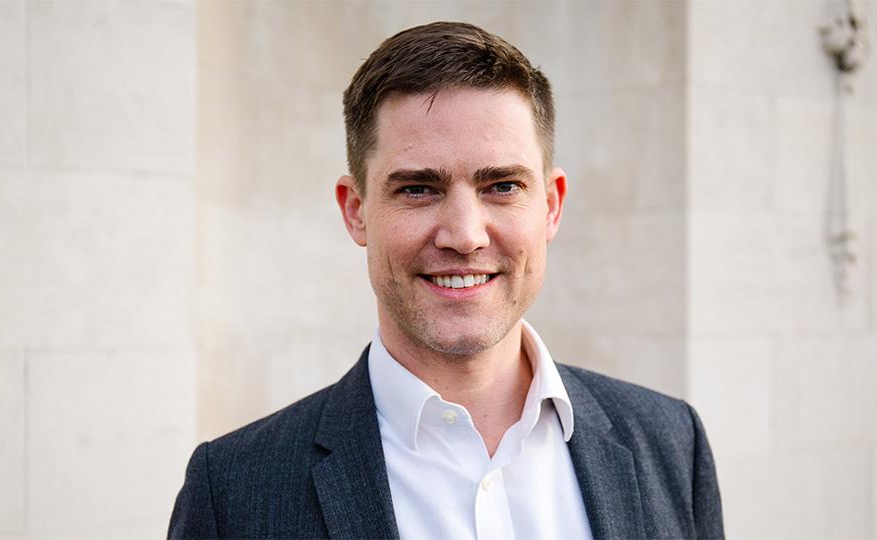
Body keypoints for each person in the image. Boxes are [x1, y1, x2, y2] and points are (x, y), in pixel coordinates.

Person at [169, 21, 724, 540]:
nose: (464, 235)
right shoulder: (233, 493)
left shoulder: (673, 443)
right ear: (356, 210)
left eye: (502, 185)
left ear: (551, 206)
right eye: (417, 189)